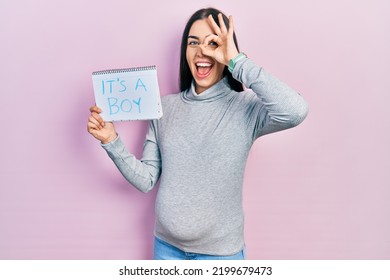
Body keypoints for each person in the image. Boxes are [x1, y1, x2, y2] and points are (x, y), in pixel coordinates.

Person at [87, 7, 308, 260]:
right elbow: (146, 180)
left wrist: (237, 61)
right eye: (193, 43)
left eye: (212, 43)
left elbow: (295, 111)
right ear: (185, 51)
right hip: (166, 249)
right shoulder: (164, 109)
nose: (202, 51)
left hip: (220, 256)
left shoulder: (246, 109)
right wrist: (111, 141)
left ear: (225, 50)